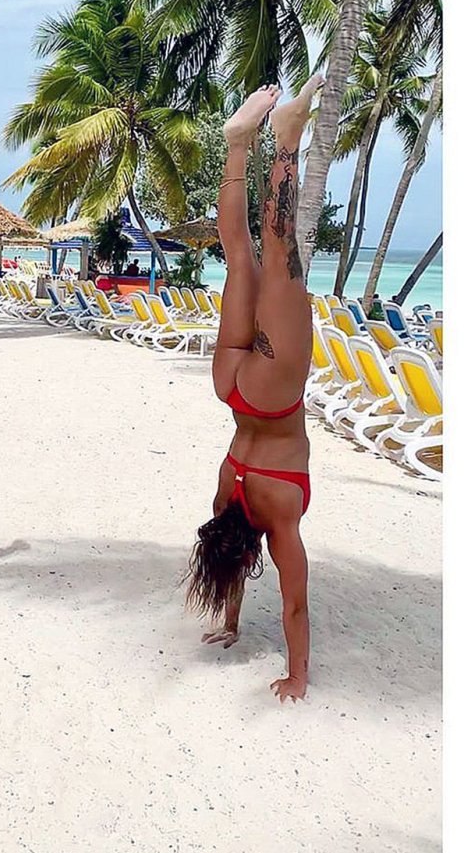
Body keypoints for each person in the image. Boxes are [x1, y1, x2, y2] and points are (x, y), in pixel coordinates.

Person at [186, 75, 323, 704]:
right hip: (232, 389)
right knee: (240, 253)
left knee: (280, 247)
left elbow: (295, 607)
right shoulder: (222, 500)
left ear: (248, 553)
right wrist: (230, 615)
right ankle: (239, 146)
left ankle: (286, 143)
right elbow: (224, 555)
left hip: (273, 395)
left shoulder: (274, 518)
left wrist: (297, 674)